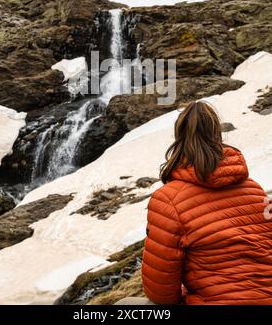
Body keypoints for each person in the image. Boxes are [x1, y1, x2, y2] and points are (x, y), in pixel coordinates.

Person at [116, 100, 272, 305]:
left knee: (126, 305)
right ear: (218, 134)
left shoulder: (168, 200)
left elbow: (161, 291)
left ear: (179, 138)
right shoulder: (254, 189)